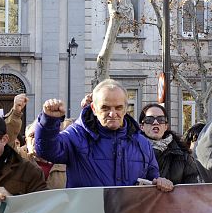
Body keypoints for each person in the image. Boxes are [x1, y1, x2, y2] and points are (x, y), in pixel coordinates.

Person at [34, 79, 171, 191]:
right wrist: (49, 121)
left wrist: (161, 182)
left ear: (125, 108)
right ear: (94, 108)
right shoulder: (77, 135)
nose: (112, 114)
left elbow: (152, 181)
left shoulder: (142, 143)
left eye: (118, 107)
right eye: (105, 108)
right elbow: (47, 150)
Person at [138, 103, 199, 184]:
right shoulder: (131, 150)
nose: (155, 122)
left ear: (166, 126)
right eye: (149, 120)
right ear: (141, 126)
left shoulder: (182, 155)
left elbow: (192, 188)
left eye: (161, 119)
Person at [19, 120, 67, 189]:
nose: (36, 140)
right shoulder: (18, 158)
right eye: (32, 136)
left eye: (41, 135)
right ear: (26, 141)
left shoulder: (66, 161)